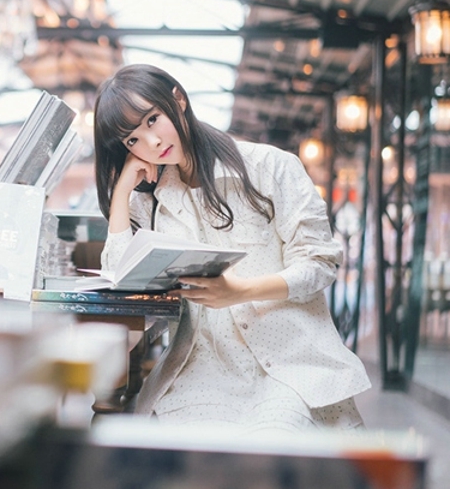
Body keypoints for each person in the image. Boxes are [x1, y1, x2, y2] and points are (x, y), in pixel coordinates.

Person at [93, 63, 370, 433]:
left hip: (288, 370)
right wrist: (122, 193)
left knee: (269, 446)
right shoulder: (150, 202)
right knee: (179, 469)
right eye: (132, 140)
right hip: (199, 371)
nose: (152, 143)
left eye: (152, 120)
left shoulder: (270, 167)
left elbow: (320, 263)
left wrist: (240, 292)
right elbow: (121, 286)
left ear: (178, 99)